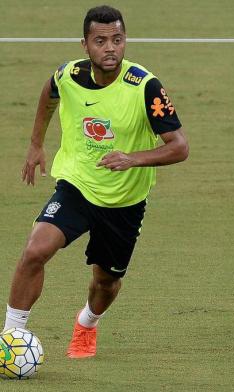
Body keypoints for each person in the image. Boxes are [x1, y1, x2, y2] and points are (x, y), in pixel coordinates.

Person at [3, 5, 188, 359]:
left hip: (124, 200)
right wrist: (35, 144)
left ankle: (87, 323)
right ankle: (10, 338)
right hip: (77, 185)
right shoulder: (68, 75)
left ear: (125, 41)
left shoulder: (145, 87)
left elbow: (180, 147)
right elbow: (49, 94)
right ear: (85, 45)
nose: (110, 48)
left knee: (106, 281)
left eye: (117, 40)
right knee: (35, 250)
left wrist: (132, 159)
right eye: (100, 40)